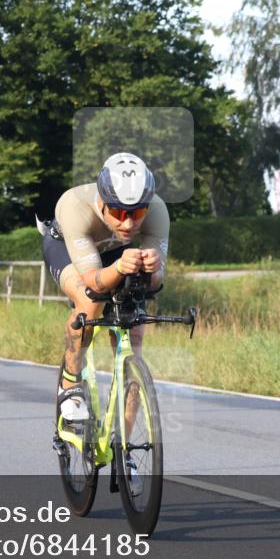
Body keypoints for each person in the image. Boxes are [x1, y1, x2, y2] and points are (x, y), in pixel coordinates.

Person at [41, 152, 170, 424]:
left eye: (136, 213)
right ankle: (71, 383)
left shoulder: (157, 210)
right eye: (118, 212)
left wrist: (154, 267)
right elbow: (92, 281)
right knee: (90, 302)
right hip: (67, 248)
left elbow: (155, 283)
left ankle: (123, 449)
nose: (128, 223)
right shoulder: (75, 206)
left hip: (116, 254)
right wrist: (120, 268)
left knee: (133, 339)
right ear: (102, 201)